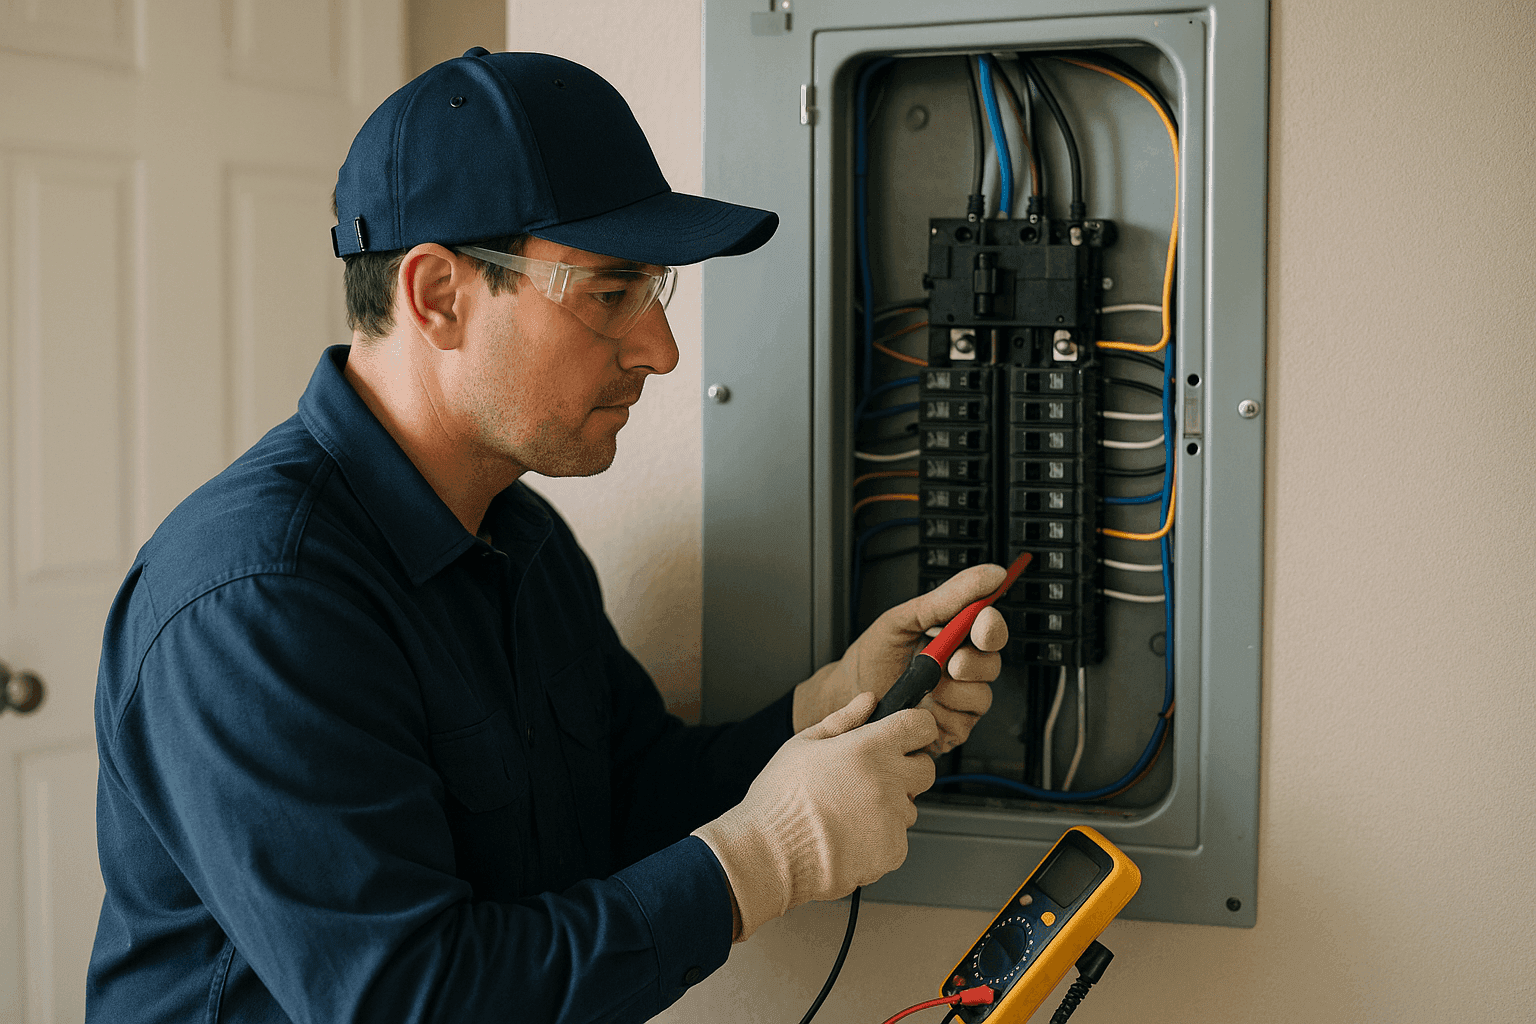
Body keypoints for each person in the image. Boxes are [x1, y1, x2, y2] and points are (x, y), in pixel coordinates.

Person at [87, 49, 1009, 1023]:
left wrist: (835, 706)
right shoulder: (252, 601)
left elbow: (628, 797)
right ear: (437, 295)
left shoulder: (518, 533)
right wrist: (760, 861)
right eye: (611, 294)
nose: (661, 350)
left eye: (655, 292)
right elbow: (413, 1000)